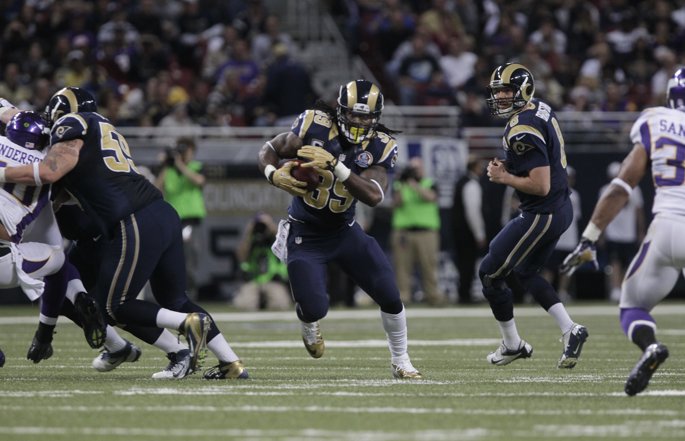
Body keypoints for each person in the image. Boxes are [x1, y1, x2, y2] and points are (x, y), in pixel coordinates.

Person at [0, 87, 247, 380]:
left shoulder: (74, 124)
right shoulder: (101, 130)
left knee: (114, 305)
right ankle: (230, 363)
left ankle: (184, 325)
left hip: (133, 219)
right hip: (158, 213)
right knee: (171, 297)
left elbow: (51, 171)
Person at [257, 79, 422, 379]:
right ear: (340, 110)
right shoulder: (313, 125)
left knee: (389, 292)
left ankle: (401, 360)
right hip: (305, 233)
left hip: (345, 231)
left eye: (366, 116)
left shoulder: (380, 145)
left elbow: (374, 195)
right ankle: (308, 322)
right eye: (353, 114)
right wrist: (272, 173)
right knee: (315, 306)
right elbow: (269, 148)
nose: (359, 122)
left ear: (376, 117)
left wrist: (337, 166)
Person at [561, 67, 685, 396]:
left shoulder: (655, 120)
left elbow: (621, 187)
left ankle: (651, 348)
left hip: (666, 226)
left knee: (632, 306)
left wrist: (589, 236)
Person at [480, 63, 588, 369]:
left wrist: (505, 178)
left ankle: (512, 344)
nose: (500, 96)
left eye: (506, 90)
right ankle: (571, 329)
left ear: (522, 90)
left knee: (489, 272)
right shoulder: (538, 108)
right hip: (558, 206)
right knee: (526, 272)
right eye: (497, 91)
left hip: (543, 210)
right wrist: (512, 168)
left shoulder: (521, 128)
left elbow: (540, 185)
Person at [0, 110, 106, 362]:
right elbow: (54, 180)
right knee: (58, 261)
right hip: (3, 256)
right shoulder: (45, 162)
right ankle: (46, 334)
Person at [155, 136, 207, 301]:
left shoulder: (196, 167)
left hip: (190, 219)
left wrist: (180, 165)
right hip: (172, 220)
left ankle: (190, 293)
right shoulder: (168, 170)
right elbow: (156, 189)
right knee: (171, 258)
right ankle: (172, 293)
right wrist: (166, 165)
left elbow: (199, 181)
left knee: (189, 257)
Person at [391, 156, 446, 306]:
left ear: (423, 169)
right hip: (404, 232)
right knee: (402, 267)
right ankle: (404, 297)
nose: (415, 171)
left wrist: (414, 184)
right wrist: (403, 183)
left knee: (429, 265)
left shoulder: (430, 183)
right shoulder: (399, 185)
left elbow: (431, 197)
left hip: (426, 232)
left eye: (417, 168)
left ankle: (432, 296)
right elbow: (397, 203)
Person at [599, 161, 645, 302]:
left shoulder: (634, 189)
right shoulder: (605, 190)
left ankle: (624, 289)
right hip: (613, 233)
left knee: (628, 263)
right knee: (615, 262)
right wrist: (601, 233)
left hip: (629, 233)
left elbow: (639, 212)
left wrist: (641, 231)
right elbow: (601, 214)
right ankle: (616, 289)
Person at [232, 212, 291, 311]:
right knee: (246, 305)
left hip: (273, 281)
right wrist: (249, 232)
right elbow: (241, 256)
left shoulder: (275, 241)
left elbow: (287, 248)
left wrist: (272, 228)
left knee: (279, 304)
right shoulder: (251, 242)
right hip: (253, 281)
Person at [452, 155, 487, 305]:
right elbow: (472, 212)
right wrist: (479, 234)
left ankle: (464, 293)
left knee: (464, 263)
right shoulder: (471, 184)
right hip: (467, 233)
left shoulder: (462, 182)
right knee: (467, 263)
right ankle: (465, 295)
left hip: (459, 231)